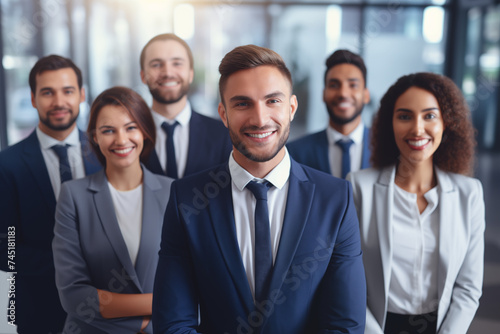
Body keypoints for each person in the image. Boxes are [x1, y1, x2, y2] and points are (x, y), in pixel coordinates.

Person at [152, 44, 366, 334]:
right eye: (242, 103)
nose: (260, 119)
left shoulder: (335, 199)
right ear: (223, 114)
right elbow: (173, 323)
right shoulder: (187, 199)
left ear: (291, 108)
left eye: (272, 101)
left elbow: (345, 325)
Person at [347, 72, 484, 334]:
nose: (417, 128)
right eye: (405, 116)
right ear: (390, 124)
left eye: (429, 115)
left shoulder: (470, 194)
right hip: (376, 327)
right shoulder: (358, 187)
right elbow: (346, 281)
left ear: (447, 123)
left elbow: (468, 287)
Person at [52, 86, 173, 333]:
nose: (121, 139)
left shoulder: (174, 193)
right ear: (94, 136)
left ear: (145, 131)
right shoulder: (73, 196)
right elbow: (73, 295)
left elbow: (195, 283)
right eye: (108, 130)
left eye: (131, 127)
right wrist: (146, 318)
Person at [0, 55, 101, 333]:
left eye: (67, 91)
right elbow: (4, 248)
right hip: (39, 313)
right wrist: (69, 267)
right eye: (47, 92)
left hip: (106, 311)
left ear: (81, 95)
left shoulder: (106, 153)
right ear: (33, 98)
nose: (59, 102)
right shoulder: (7, 165)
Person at [140, 33, 232, 178]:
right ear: (143, 76)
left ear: (190, 74)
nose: (168, 72)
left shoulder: (224, 135)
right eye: (156, 64)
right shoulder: (130, 136)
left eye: (177, 63)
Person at [288, 49, 371, 179]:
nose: (343, 93)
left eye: (353, 85)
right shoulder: (295, 153)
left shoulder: (388, 150)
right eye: (334, 85)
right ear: (323, 94)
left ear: (366, 95)